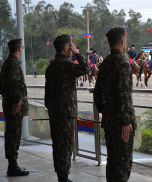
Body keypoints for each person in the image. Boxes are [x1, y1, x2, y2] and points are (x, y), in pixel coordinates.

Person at [94, 27, 137, 182]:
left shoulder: (104, 63)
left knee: (112, 162)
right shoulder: (123, 63)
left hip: (109, 120)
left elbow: (97, 93)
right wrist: (126, 122)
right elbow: (124, 95)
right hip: (121, 122)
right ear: (122, 43)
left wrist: (106, 111)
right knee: (122, 165)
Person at [45, 35, 89, 182]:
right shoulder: (66, 64)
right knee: (66, 145)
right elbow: (85, 68)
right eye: (71, 46)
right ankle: (64, 178)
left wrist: (51, 107)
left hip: (54, 112)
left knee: (58, 144)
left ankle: (61, 175)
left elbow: (47, 94)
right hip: (66, 113)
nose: (73, 48)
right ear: (66, 48)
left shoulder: (51, 66)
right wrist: (77, 53)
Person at [0, 38, 30, 177]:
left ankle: (13, 164)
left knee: (12, 134)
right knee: (13, 134)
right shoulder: (12, 63)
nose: (22, 50)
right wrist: (18, 99)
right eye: (21, 48)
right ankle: (12, 166)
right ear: (19, 49)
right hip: (14, 106)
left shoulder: (8, 62)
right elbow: (12, 83)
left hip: (10, 104)